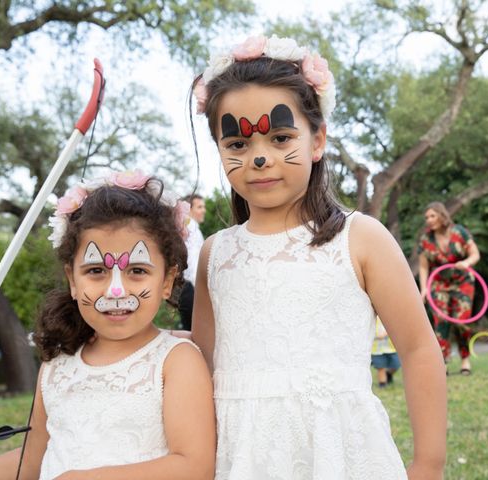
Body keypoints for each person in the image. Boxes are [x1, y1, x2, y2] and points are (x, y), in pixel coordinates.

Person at [190, 35, 446, 480]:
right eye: (237, 145)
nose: (260, 157)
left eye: (281, 137)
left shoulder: (361, 238)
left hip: (342, 455)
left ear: (318, 140)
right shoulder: (215, 254)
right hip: (241, 459)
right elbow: (202, 365)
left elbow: (420, 348)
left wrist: (428, 463)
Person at [0, 172, 216, 480]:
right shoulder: (56, 365)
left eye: (138, 270)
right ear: (72, 280)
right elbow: (30, 463)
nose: (116, 290)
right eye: (96, 270)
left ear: (167, 281)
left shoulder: (177, 360)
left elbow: (194, 466)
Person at [418, 201, 481, 375]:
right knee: (441, 322)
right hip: (438, 284)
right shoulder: (426, 239)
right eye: (427, 217)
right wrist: (424, 289)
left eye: (432, 215)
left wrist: (466, 263)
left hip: (463, 282)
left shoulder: (459, 232)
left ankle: (465, 359)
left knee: (462, 321)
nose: (429, 220)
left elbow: (475, 254)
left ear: (442, 215)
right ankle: (443, 362)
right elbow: (423, 266)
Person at [179, 194, 206, 330]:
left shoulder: (190, 227)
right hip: (190, 287)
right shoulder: (190, 229)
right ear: (189, 209)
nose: (204, 210)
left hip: (188, 287)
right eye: (200, 207)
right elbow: (191, 262)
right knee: (193, 330)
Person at [371, 317, 401, 388]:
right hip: (376, 349)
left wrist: (386, 333)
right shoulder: (371, 318)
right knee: (381, 367)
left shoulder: (389, 316)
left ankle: (388, 374)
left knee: (396, 364)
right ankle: (382, 384)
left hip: (391, 348)